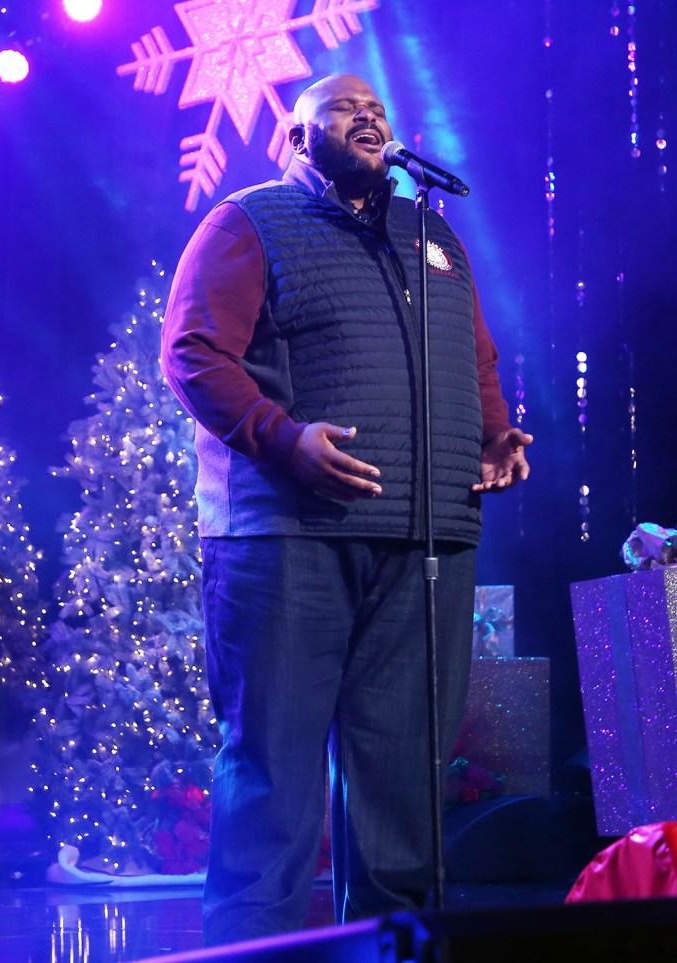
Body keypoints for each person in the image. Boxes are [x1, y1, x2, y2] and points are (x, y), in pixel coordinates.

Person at [161, 72, 532, 945]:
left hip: (425, 537)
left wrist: (495, 434)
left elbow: (475, 358)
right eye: (343, 108)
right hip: (289, 538)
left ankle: (393, 946)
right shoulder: (248, 221)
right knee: (274, 782)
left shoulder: (432, 234)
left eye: (378, 109)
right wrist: (283, 439)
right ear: (296, 137)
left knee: (403, 788)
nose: (369, 115)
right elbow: (193, 352)